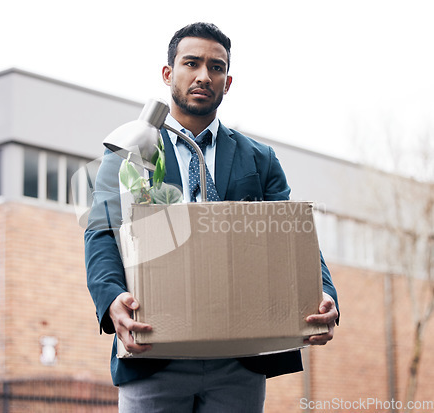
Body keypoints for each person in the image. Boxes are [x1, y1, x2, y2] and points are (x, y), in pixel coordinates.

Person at [85, 22, 339, 413]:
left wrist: (323, 294)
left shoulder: (260, 159)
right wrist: (111, 300)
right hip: (153, 350)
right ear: (168, 73)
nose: (204, 75)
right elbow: (101, 230)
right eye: (192, 63)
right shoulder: (130, 148)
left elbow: (295, 237)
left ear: (228, 80)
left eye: (216, 67)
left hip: (239, 359)